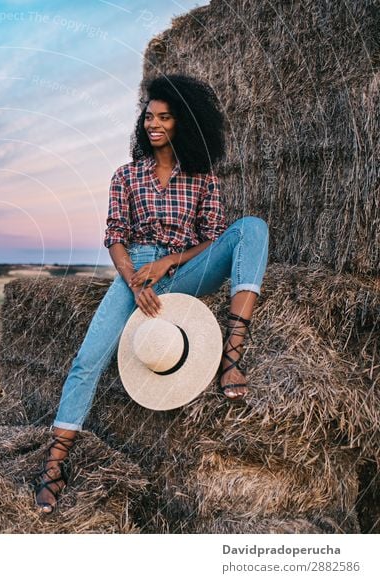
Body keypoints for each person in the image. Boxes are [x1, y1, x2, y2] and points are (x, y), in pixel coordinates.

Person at [33, 74, 269, 514]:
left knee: (251, 228)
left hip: (184, 271)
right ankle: (54, 467)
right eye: (148, 117)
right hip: (135, 270)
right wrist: (135, 279)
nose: (153, 124)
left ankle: (232, 356)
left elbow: (214, 240)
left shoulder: (203, 179)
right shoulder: (125, 176)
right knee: (88, 360)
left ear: (185, 123)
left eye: (164, 117)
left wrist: (171, 262)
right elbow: (114, 236)